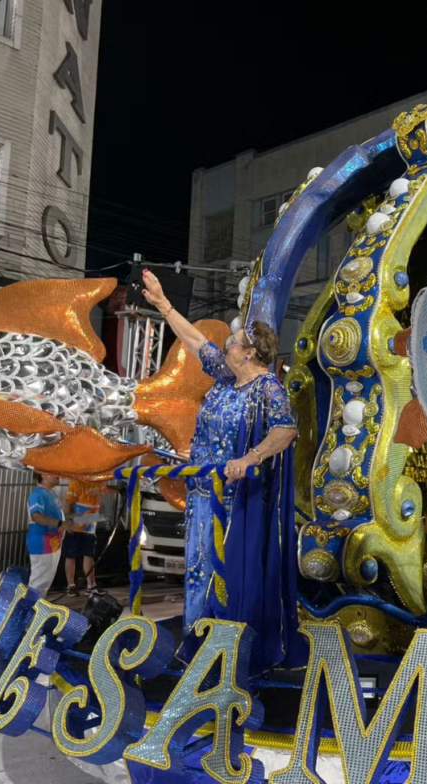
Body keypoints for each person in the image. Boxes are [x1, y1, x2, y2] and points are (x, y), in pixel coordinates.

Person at [141, 270, 303, 670]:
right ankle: (200, 645)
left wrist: (250, 458)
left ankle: (231, 651)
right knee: (197, 568)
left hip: (238, 502)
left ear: (249, 352)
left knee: (228, 573)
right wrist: (164, 304)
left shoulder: (267, 388)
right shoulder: (226, 377)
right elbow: (195, 340)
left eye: (232, 342)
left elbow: (286, 430)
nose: (225, 344)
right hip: (203, 493)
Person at [63, 479, 113, 597]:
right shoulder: (76, 483)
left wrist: (121, 490)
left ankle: (91, 585)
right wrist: (68, 522)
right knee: (71, 555)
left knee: (89, 555)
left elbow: (106, 489)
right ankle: (71, 586)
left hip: (90, 527)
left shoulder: (98, 482)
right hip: (75, 526)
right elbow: (69, 504)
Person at [27, 473, 65, 597]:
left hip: (52, 543)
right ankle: (29, 611)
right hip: (43, 543)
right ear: (44, 475)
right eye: (53, 472)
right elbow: (36, 516)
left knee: (44, 582)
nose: (58, 474)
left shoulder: (51, 494)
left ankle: (35, 609)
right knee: (39, 583)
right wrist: (60, 523)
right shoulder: (38, 494)